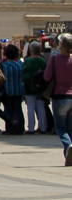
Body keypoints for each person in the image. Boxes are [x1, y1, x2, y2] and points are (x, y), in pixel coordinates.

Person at [44, 32, 72, 166]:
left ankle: (68, 146)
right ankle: (69, 153)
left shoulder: (54, 59)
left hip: (59, 96)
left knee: (61, 128)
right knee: (71, 128)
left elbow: (46, 77)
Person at [0, 42, 25, 135]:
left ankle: (9, 129)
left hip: (7, 91)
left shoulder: (4, 66)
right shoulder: (19, 65)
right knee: (18, 110)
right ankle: (21, 128)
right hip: (18, 90)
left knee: (8, 110)